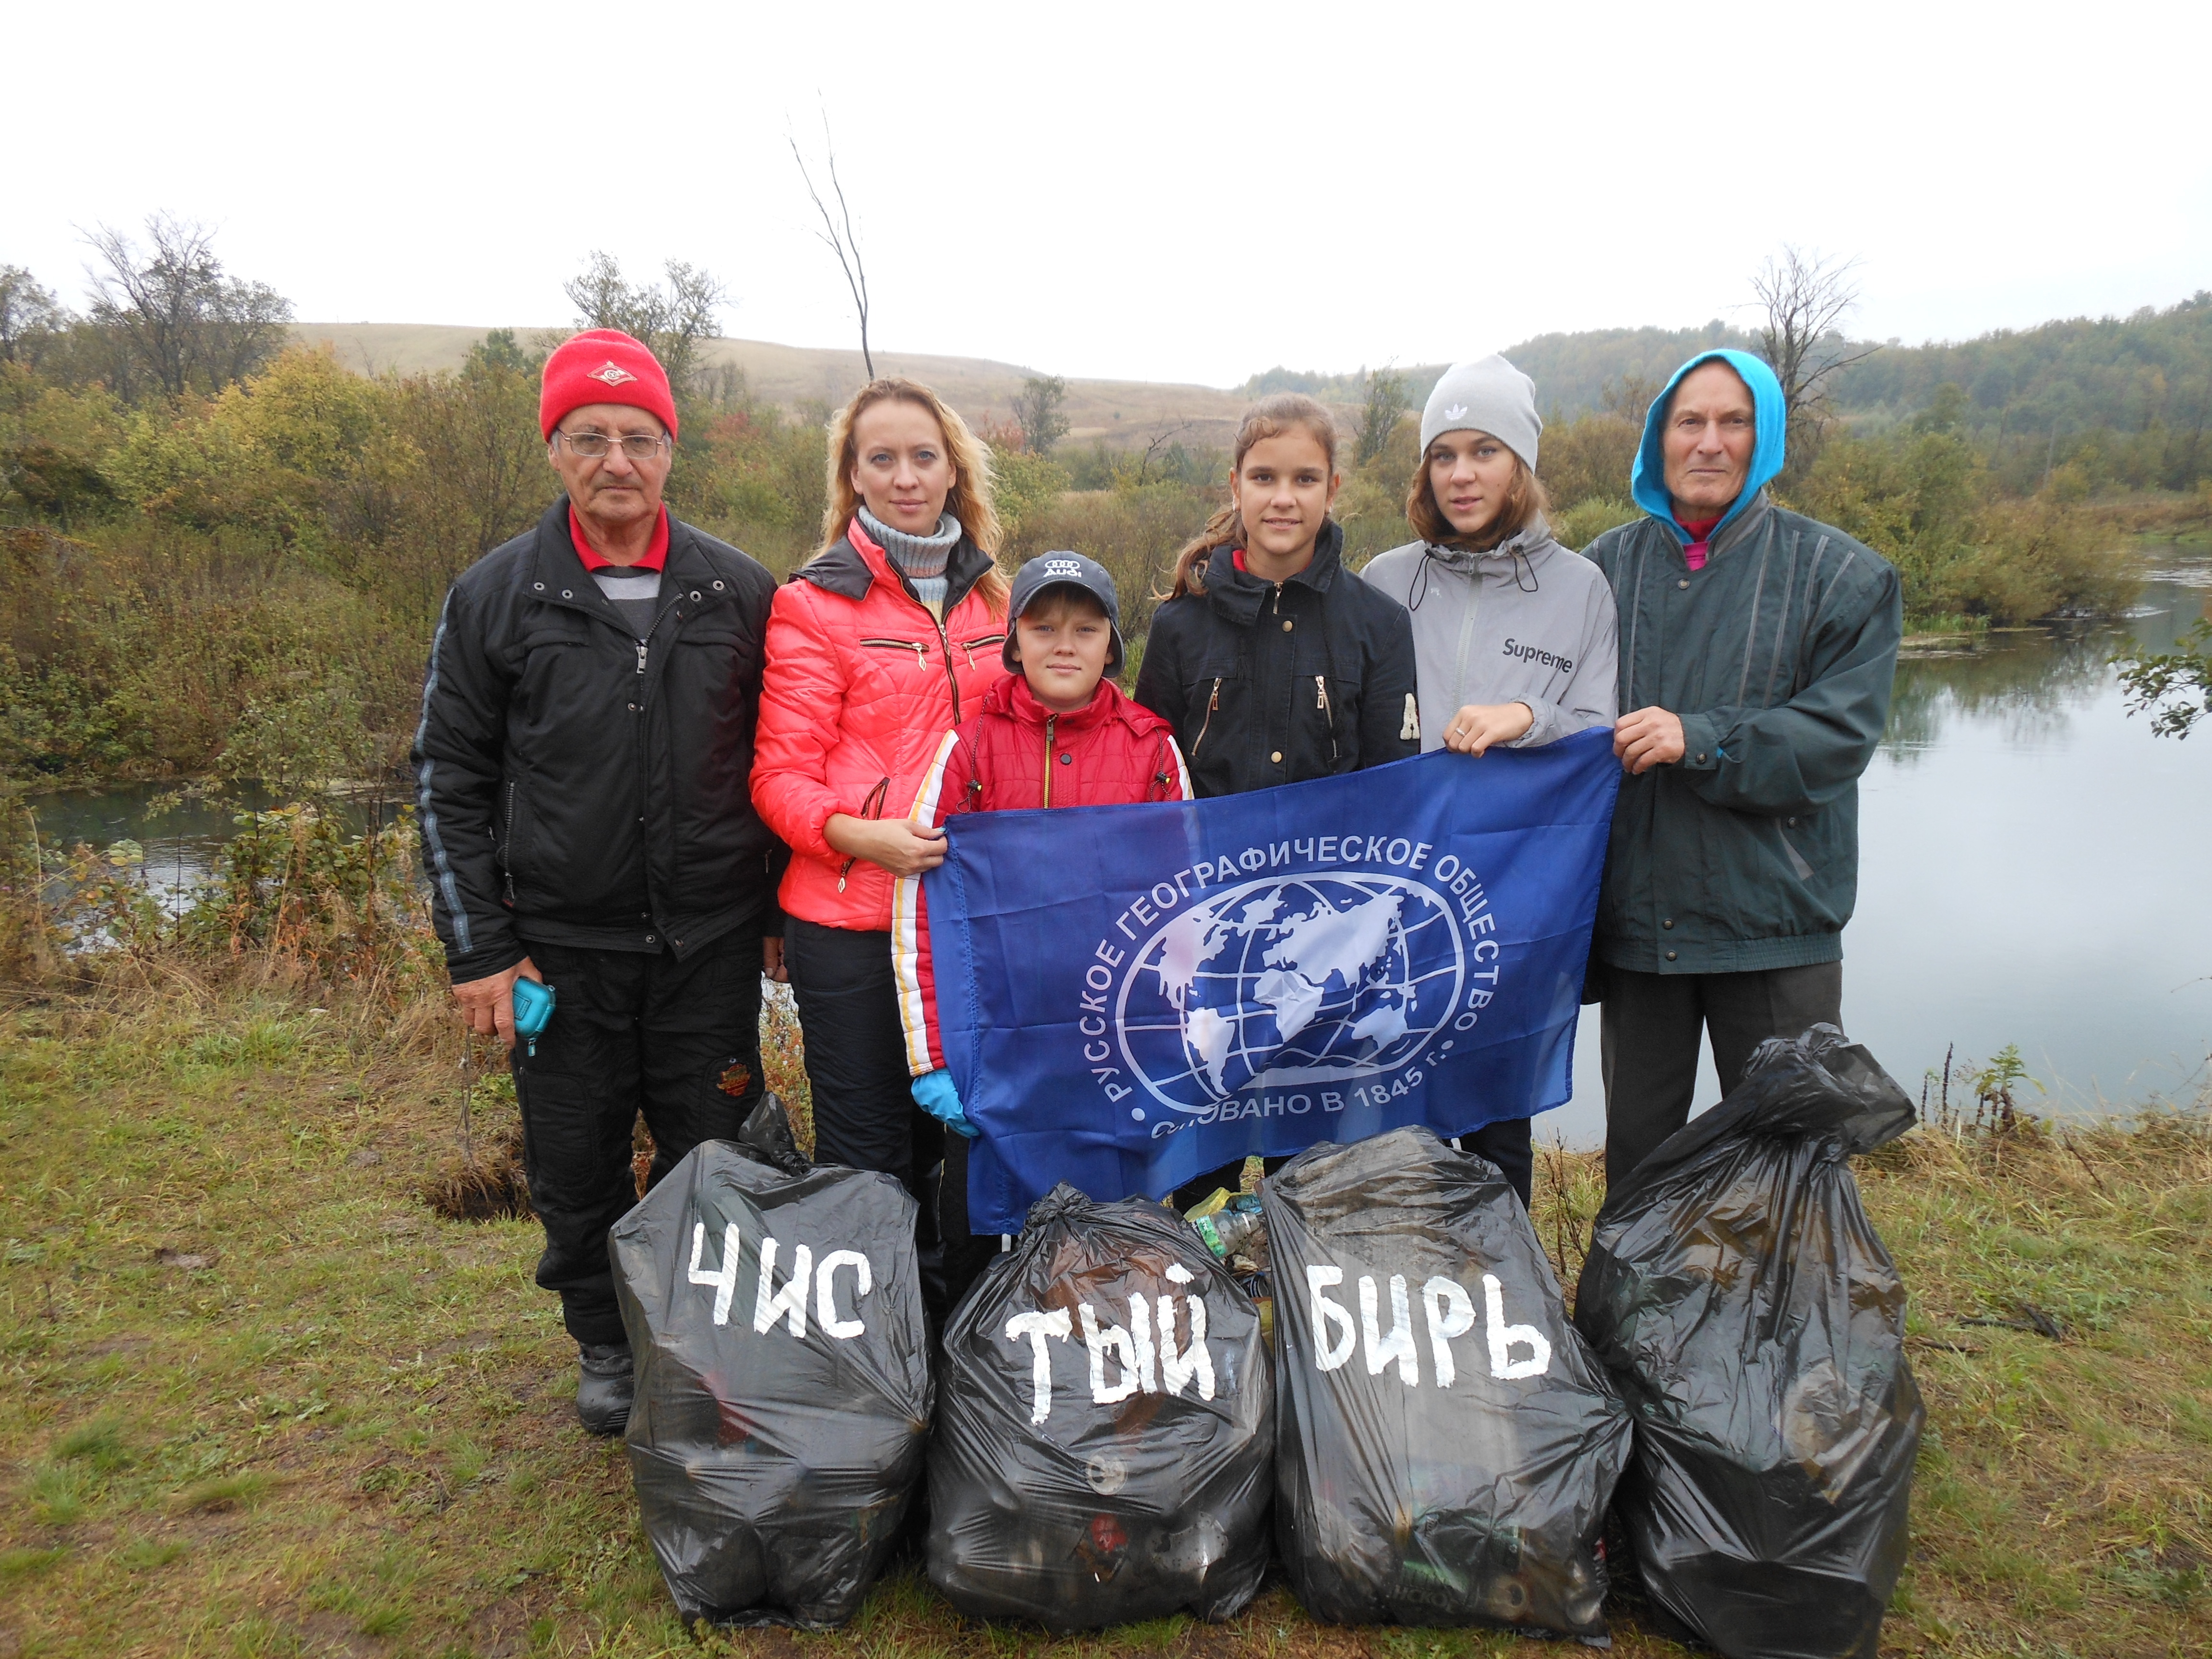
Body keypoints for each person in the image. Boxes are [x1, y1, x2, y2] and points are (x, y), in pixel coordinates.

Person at [413, 328, 784, 1435]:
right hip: (556, 951)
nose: (616, 459)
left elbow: (781, 758)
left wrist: (772, 911)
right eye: (590, 438)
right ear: (555, 451)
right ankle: (605, 1343)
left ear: (671, 451)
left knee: (710, 1153)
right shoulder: (496, 597)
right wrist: (478, 947)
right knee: (574, 1163)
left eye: (638, 438)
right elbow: (447, 776)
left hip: (709, 941)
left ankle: (702, 1338)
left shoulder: (738, 590)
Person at [1582, 349, 1901, 1188]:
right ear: (1660, 440)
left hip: (1775, 928)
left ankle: (1786, 1321)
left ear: (1766, 439)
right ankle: (1633, 1320)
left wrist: (1703, 737)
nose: (1710, 443)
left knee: (1789, 1165)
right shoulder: (1599, 572)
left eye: (1735, 422)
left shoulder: (1844, 576)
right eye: (1690, 422)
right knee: (1640, 1165)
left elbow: (1837, 738)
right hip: (1641, 933)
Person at [748, 377, 1008, 1309]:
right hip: (852, 924)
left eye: (923, 457)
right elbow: (779, 779)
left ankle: (967, 1361)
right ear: (852, 477)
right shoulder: (813, 605)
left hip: (961, 933)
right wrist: (870, 839)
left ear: (954, 471)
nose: (905, 477)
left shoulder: (994, 606)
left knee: (967, 1152)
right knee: (871, 1161)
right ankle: (882, 1371)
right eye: (882, 459)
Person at [1132, 393, 1422, 1207]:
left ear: (1334, 488)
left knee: (1316, 1181)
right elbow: (1150, 779)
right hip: (1210, 940)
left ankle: (1296, 1319)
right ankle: (1207, 1317)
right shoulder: (1181, 626)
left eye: (1304, 478)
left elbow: (1392, 788)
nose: (1283, 497)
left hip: (1329, 947)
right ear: (1236, 485)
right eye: (1264, 477)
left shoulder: (1378, 624)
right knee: (1203, 1179)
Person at [891, 551, 1191, 1308]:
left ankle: (1115, 1396)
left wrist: (1176, 1042)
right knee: (971, 1234)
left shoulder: (1152, 747)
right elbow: (918, 899)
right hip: (995, 1048)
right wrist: (931, 1054)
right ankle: (972, 1385)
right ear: (1013, 642)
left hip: (1113, 1046)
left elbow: (1190, 909)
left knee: (1116, 1235)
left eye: (1086, 629)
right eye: (1044, 626)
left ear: (1113, 647)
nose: (1065, 644)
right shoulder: (968, 744)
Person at [1360, 355, 1619, 1206]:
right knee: (1397, 1118)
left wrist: (1526, 715)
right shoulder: (1388, 578)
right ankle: (1396, 1294)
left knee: (1499, 1121)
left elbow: (1599, 733)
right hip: (1398, 899)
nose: (1461, 475)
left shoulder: (1581, 589)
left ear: (1522, 465)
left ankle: (1503, 1296)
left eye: (1484, 451)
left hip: (1513, 902)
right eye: (1444, 455)